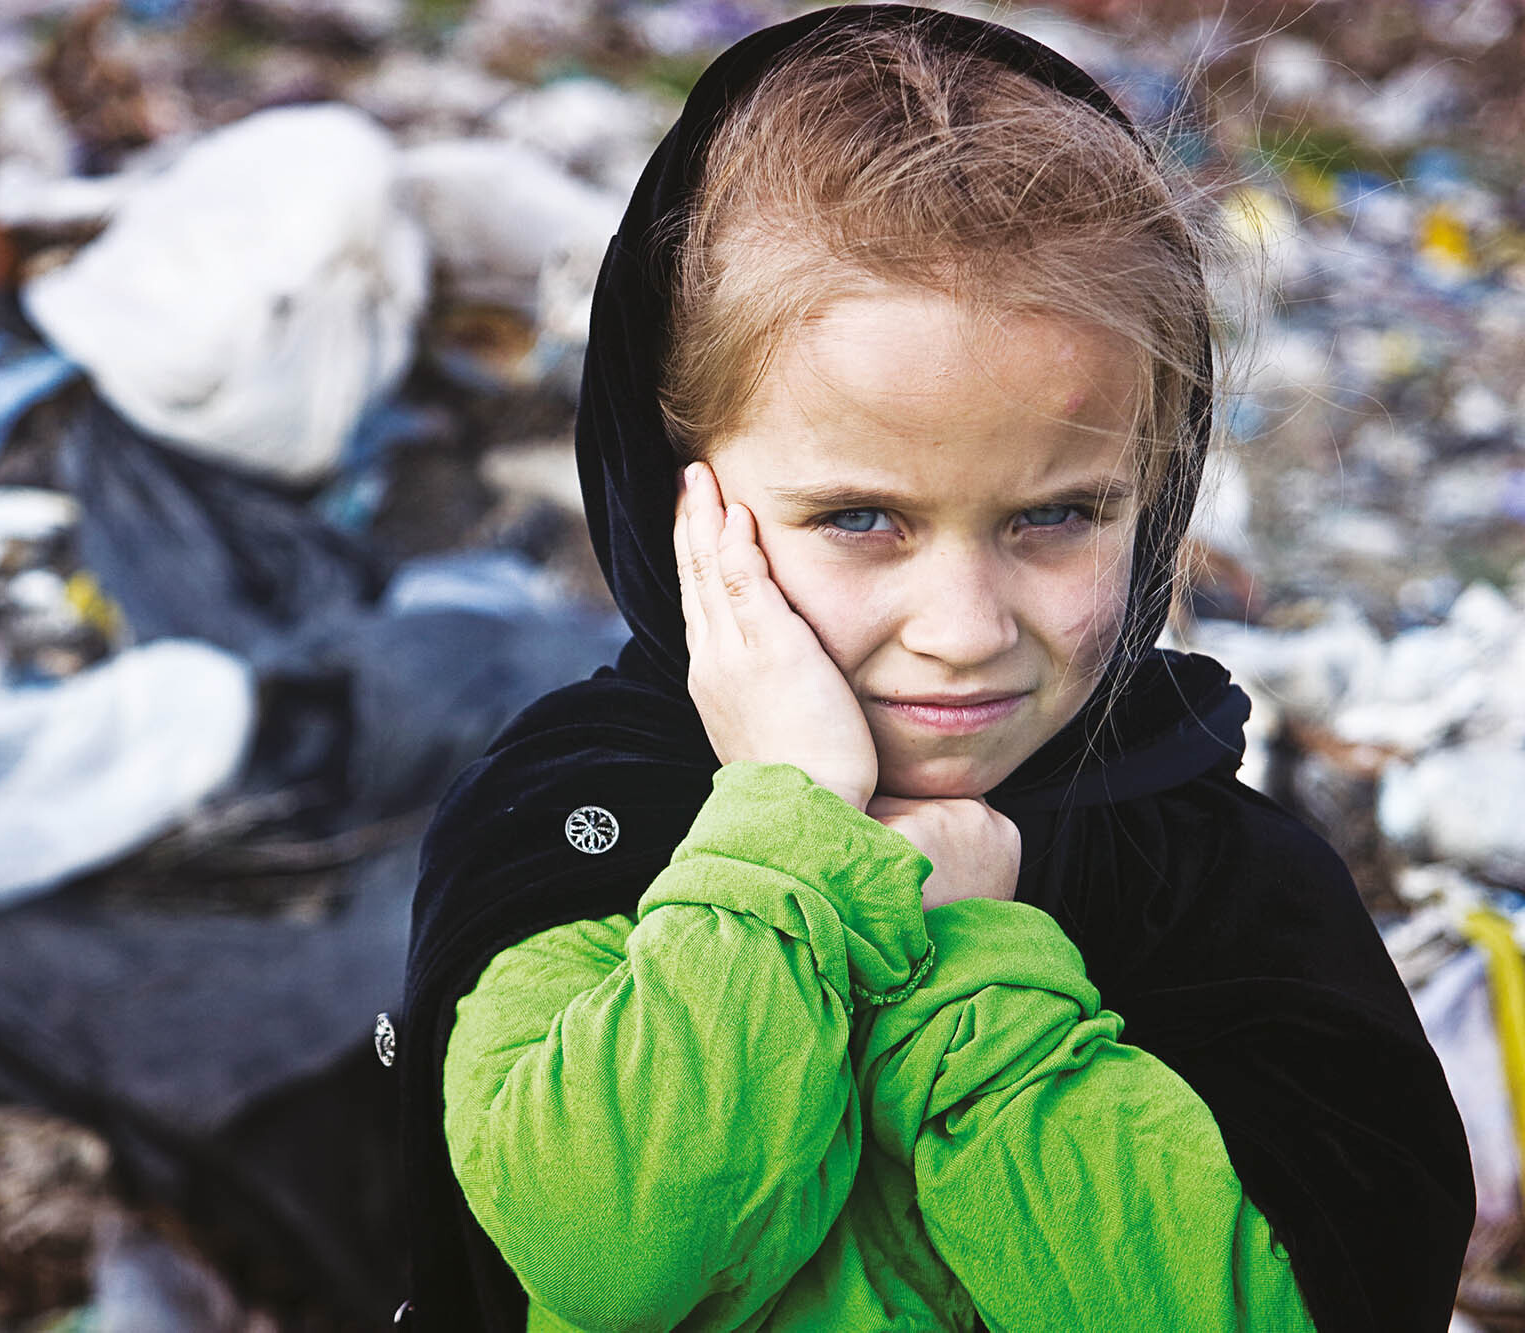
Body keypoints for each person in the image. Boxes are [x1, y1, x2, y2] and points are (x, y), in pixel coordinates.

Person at [395, 5, 1474, 1330]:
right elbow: (608, 1250)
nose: (963, 630)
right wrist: (791, 838)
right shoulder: (578, 822)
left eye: (1055, 516)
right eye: (861, 518)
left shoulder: (1218, 887)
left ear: (1157, 495)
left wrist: (965, 974)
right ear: (677, 498)